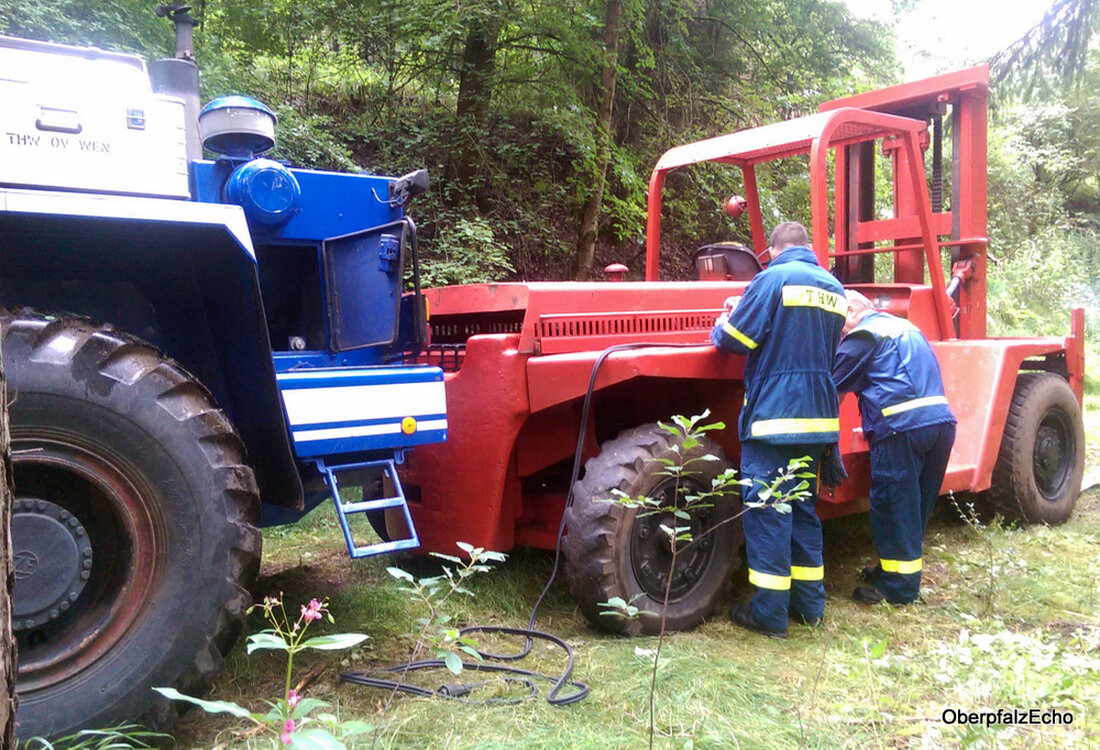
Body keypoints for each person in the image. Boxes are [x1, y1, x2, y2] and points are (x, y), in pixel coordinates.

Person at [711, 221, 846, 639]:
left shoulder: (772, 279)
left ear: (772, 250)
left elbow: (734, 339)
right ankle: (810, 608)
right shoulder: (835, 288)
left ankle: (769, 614)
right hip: (819, 419)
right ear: (808, 247)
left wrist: (722, 320)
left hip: (775, 420)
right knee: (803, 512)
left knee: (768, 513)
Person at [832, 290, 957, 605]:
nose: (839, 333)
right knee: (915, 509)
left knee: (894, 507)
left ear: (851, 312)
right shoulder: (905, 327)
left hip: (901, 429)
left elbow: (830, 387)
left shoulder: (863, 336)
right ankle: (893, 572)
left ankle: (898, 591)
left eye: (838, 324)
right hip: (940, 425)